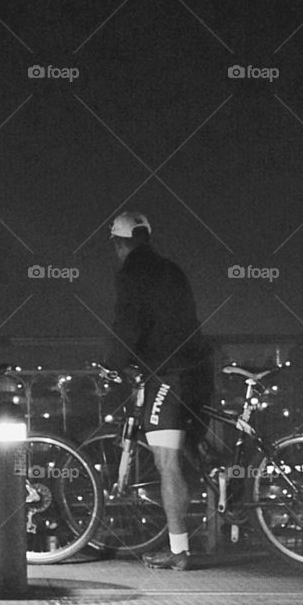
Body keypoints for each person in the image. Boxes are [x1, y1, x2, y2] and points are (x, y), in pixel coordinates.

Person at [106, 212, 213, 571]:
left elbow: (129, 324)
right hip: (198, 368)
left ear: (120, 243)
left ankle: (179, 551)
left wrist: (116, 362)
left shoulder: (131, 274)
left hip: (168, 372)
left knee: (165, 461)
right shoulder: (172, 269)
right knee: (186, 453)